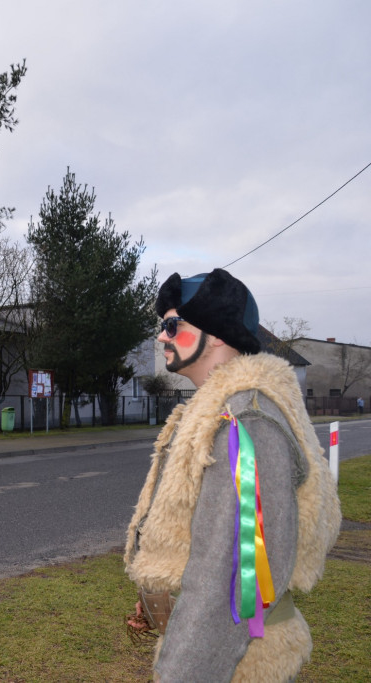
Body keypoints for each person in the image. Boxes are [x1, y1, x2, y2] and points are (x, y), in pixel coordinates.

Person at [124, 269, 340, 682]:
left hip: (235, 662)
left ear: (218, 333)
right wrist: (159, 593)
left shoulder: (244, 420)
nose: (162, 337)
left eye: (173, 325)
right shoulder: (220, 408)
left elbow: (226, 579)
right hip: (222, 652)